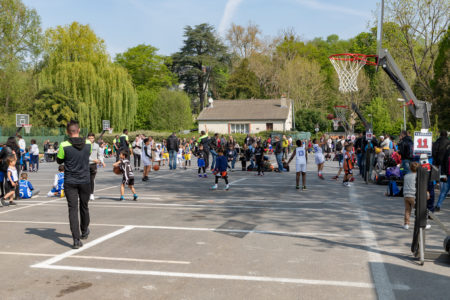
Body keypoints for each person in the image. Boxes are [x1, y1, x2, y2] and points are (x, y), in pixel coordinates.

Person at [56, 120, 92, 249]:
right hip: (85, 180)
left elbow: (59, 160)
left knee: (72, 209)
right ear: (79, 130)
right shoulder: (88, 143)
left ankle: (76, 240)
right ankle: (84, 230)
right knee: (84, 206)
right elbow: (86, 155)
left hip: (70, 180)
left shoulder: (63, 145)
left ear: (67, 132)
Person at [87, 133, 105, 201]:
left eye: (92, 138)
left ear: (94, 138)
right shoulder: (85, 145)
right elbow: (84, 156)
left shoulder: (97, 146)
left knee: (91, 180)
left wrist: (102, 161)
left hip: (93, 165)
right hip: (86, 164)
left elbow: (99, 155)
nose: (91, 139)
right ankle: (85, 193)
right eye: (89, 138)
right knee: (85, 180)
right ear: (87, 138)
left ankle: (91, 194)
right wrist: (93, 159)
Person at [403, 162, 419, 230]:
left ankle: (406, 224)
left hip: (406, 195)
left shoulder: (406, 176)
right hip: (413, 195)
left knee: (407, 210)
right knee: (419, 210)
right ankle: (421, 223)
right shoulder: (417, 176)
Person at [435, 142, 450, 212]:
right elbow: (443, 165)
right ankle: (438, 206)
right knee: (444, 192)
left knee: (444, 192)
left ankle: (438, 205)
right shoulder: (447, 153)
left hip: (447, 175)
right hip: (447, 175)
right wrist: (443, 175)